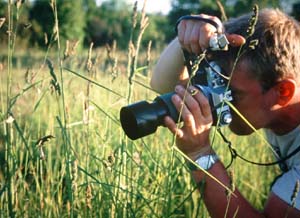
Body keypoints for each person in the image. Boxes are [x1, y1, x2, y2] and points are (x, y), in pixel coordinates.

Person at [150, 8, 300, 217]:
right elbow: (163, 86)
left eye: (233, 94)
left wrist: (200, 155)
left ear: (283, 92)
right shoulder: (273, 104)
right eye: (220, 86)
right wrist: (186, 36)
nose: (220, 101)